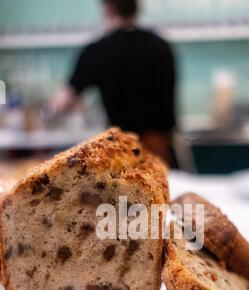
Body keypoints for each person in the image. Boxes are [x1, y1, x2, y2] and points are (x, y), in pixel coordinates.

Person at [51, 0, 177, 166]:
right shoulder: (162, 46)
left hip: (123, 150)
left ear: (108, 8)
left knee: (124, 192)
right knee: (163, 189)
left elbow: (63, 103)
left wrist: (47, 110)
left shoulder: (97, 50)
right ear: (136, 9)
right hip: (161, 148)